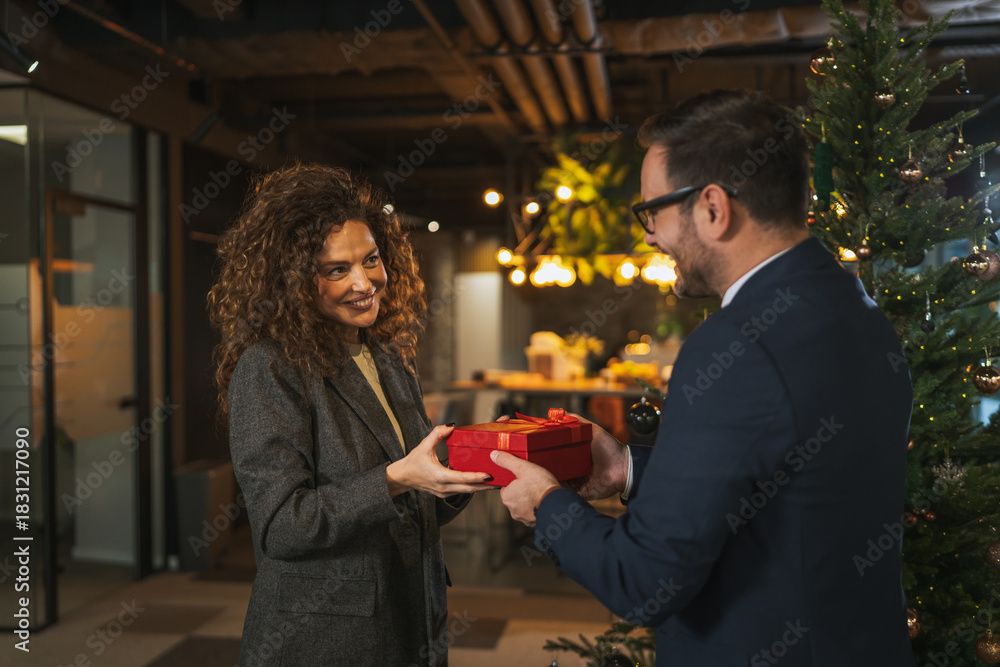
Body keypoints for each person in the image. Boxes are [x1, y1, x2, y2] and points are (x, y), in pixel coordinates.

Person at [493, 90, 917, 666]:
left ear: (713, 208)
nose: (647, 235)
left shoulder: (738, 343)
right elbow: (789, 498)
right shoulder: (856, 309)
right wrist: (624, 468)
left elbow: (643, 581)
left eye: (652, 211)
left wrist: (544, 504)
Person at [208, 163, 492, 667]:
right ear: (295, 280)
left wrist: (480, 463)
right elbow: (282, 528)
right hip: (326, 639)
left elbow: (416, 497)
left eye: (371, 260)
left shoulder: (386, 356)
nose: (365, 283)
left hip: (412, 616)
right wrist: (396, 478)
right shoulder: (269, 366)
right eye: (337, 270)